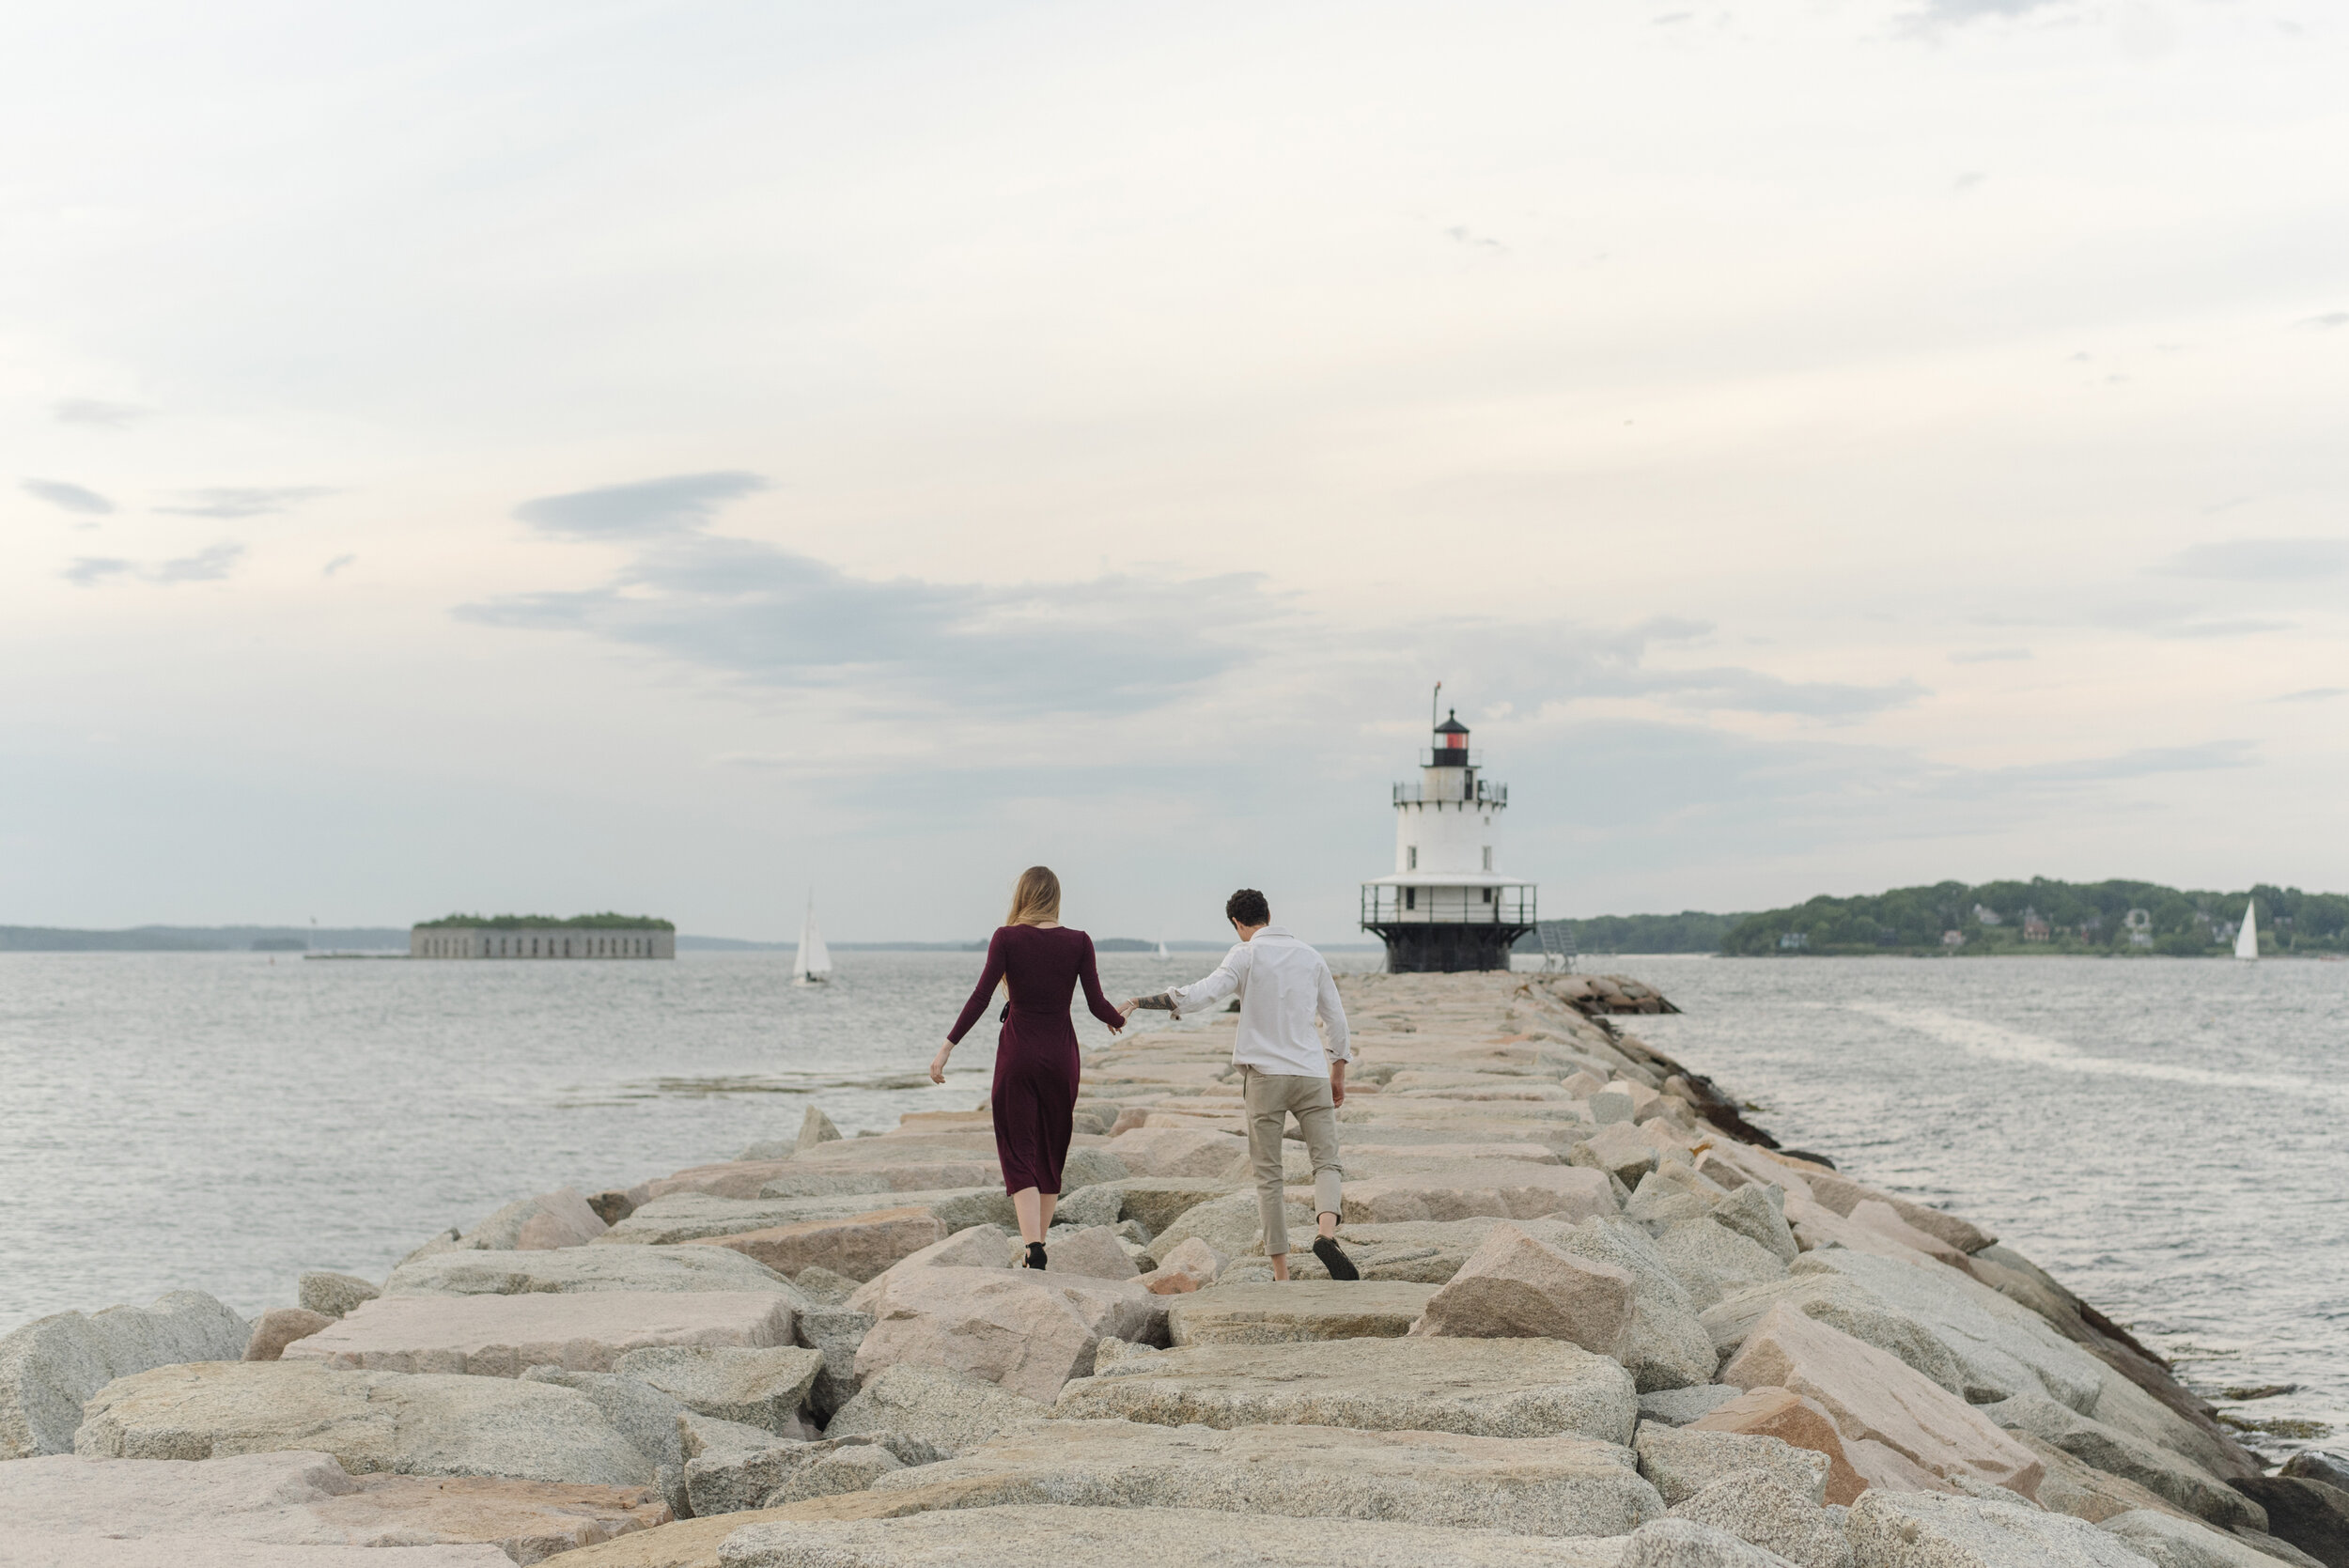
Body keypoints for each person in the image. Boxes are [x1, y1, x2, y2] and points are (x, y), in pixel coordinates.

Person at [1124, 889, 1358, 1282]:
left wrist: (1137, 1002)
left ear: (1237, 923)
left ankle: (1281, 1273)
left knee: (1269, 1175)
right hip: (1310, 1073)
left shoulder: (1244, 954)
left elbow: (1202, 994)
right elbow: (1335, 1019)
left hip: (1265, 1078)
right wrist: (1338, 1071)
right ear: (1268, 914)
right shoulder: (1310, 956)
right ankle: (1326, 1233)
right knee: (1327, 1162)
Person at [931, 865, 1125, 1270]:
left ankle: (1032, 1246)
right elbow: (1096, 1005)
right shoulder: (1079, 942)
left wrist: (947, 1047)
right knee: (1052, 1148)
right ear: (1055, 897)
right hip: (1061, 1056)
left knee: (1019, 1148)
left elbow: (981, 997)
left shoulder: (1007, 938)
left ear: (1022, 896)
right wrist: (1120, 1016)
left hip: (1018, 1055)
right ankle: (1037, 1246)